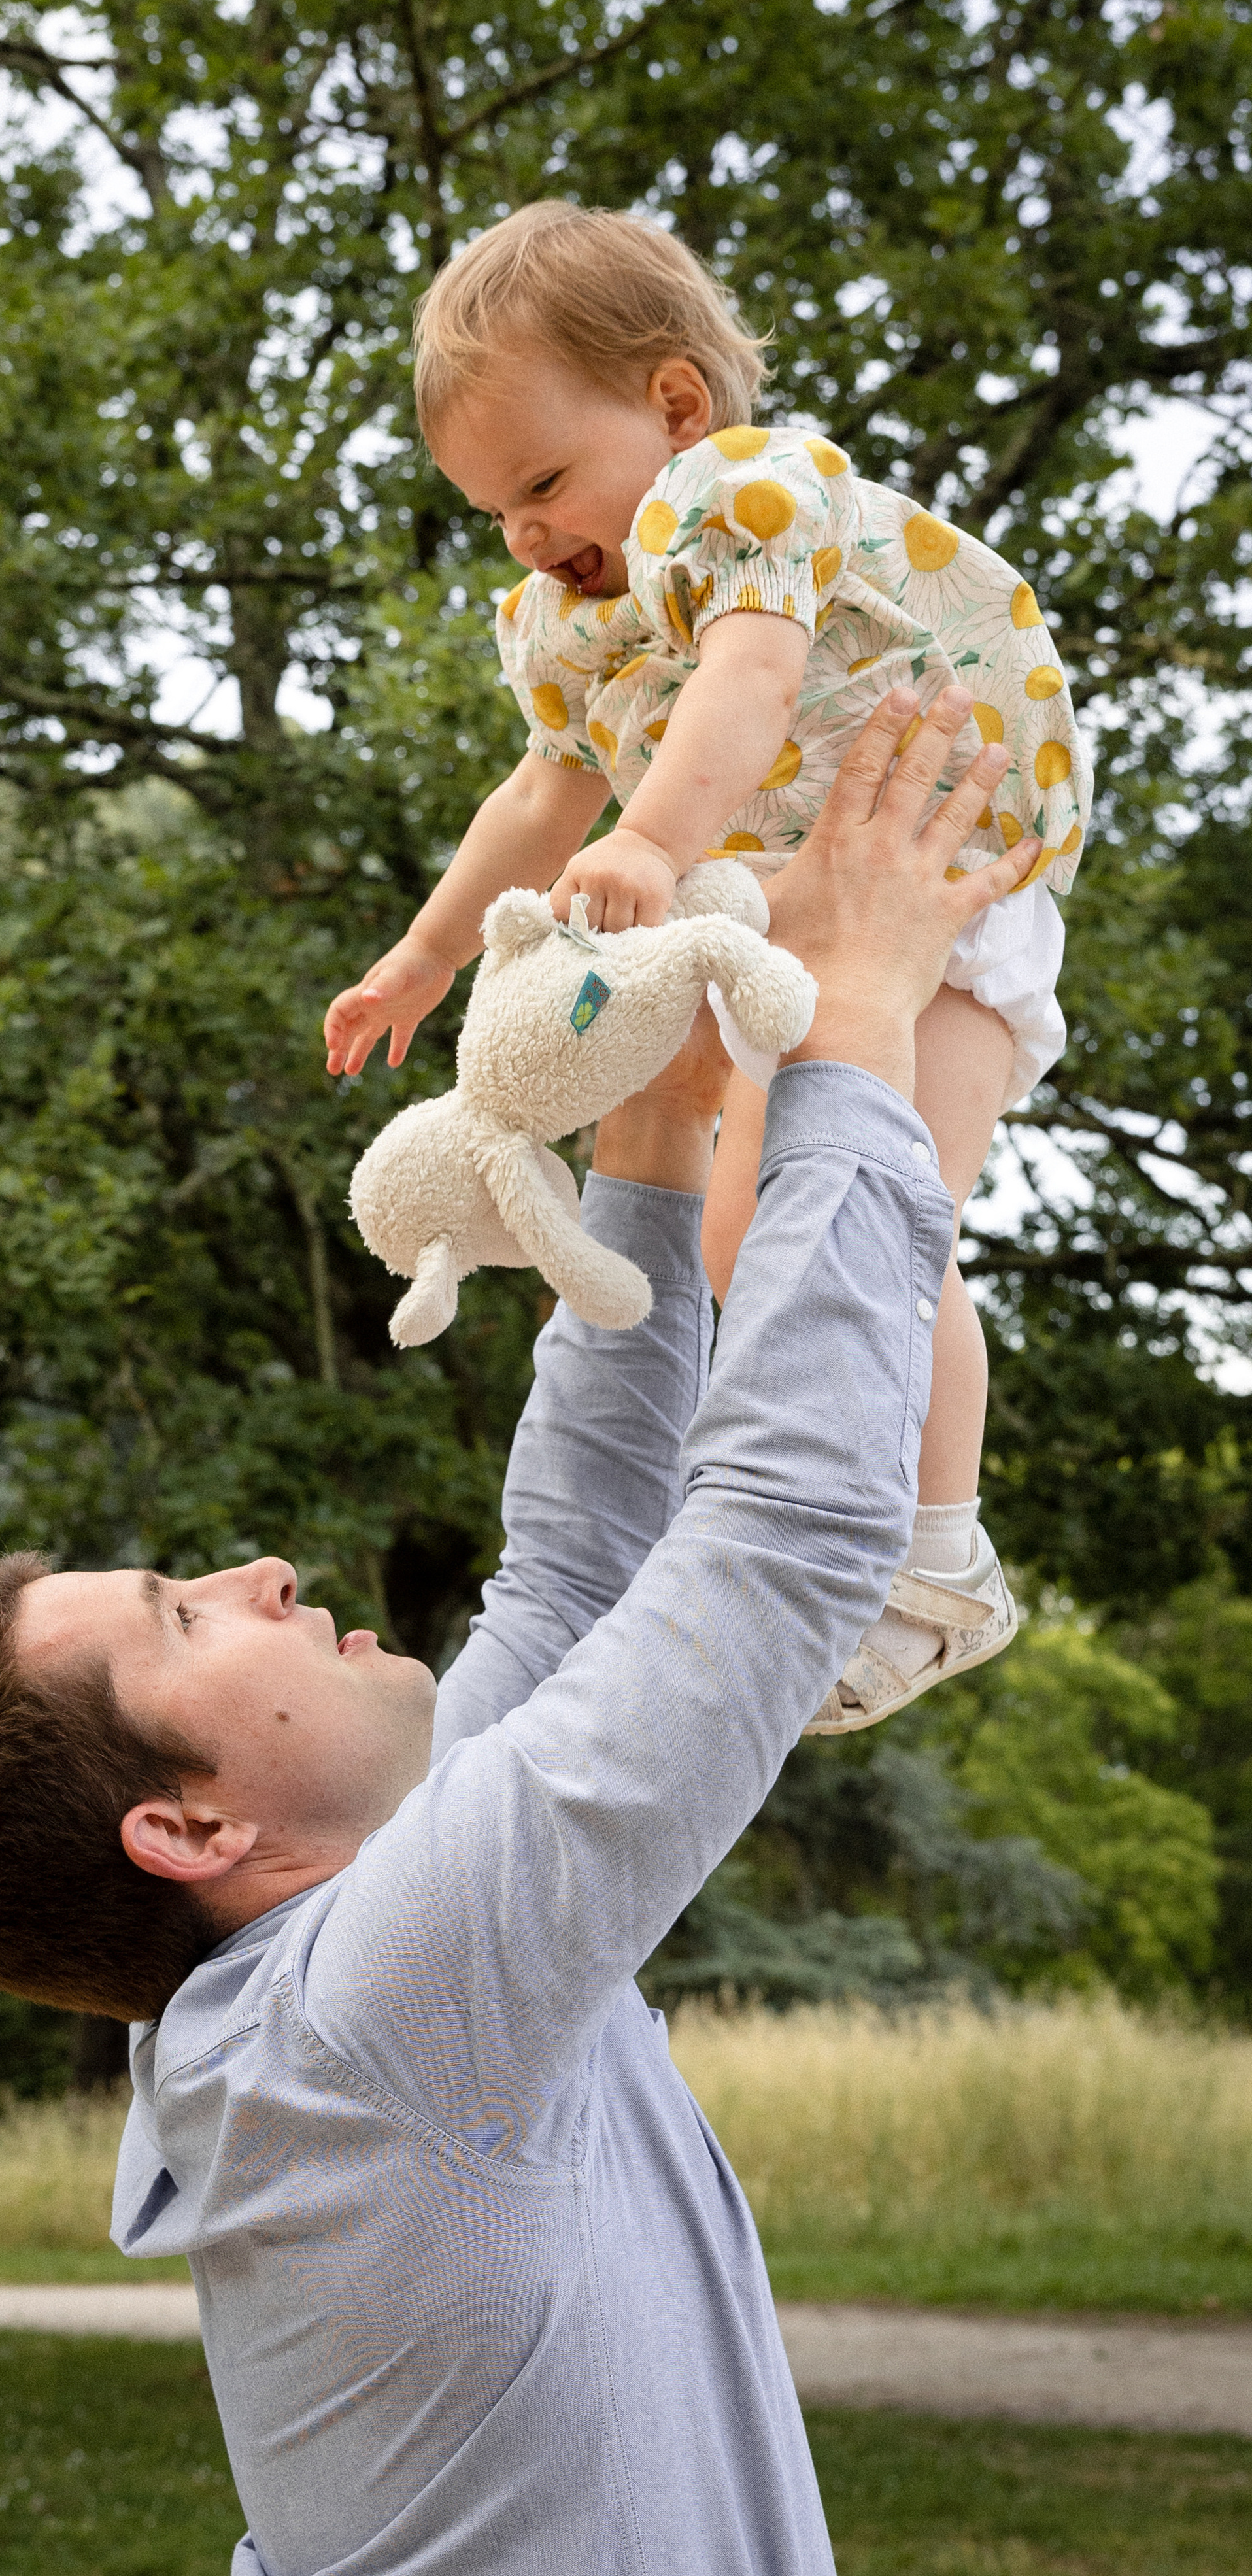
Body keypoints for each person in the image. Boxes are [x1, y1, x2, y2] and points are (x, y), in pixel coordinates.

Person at [0, 690, 1036, 2576]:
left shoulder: (305, 1993)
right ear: (189, 1827)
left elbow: (571, 1575)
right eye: (181, 1613)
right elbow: (784, 1540)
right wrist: (855, 1029)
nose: (255, 1570)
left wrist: (654, 1127)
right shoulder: (368, 2018)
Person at [323, 202, 1092, 1731]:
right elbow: (538, 793)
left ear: (673, 404)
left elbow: (747, 680)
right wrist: (424, 952)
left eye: (541, 483)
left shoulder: (739, 494)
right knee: (749, 1236)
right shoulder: (574, 616)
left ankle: (937, 1560)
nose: (523, 533)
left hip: (946, 883)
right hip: (798, 921)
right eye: (491, 510)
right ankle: (834, 1528)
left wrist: (653, 841)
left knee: (873, 1222)